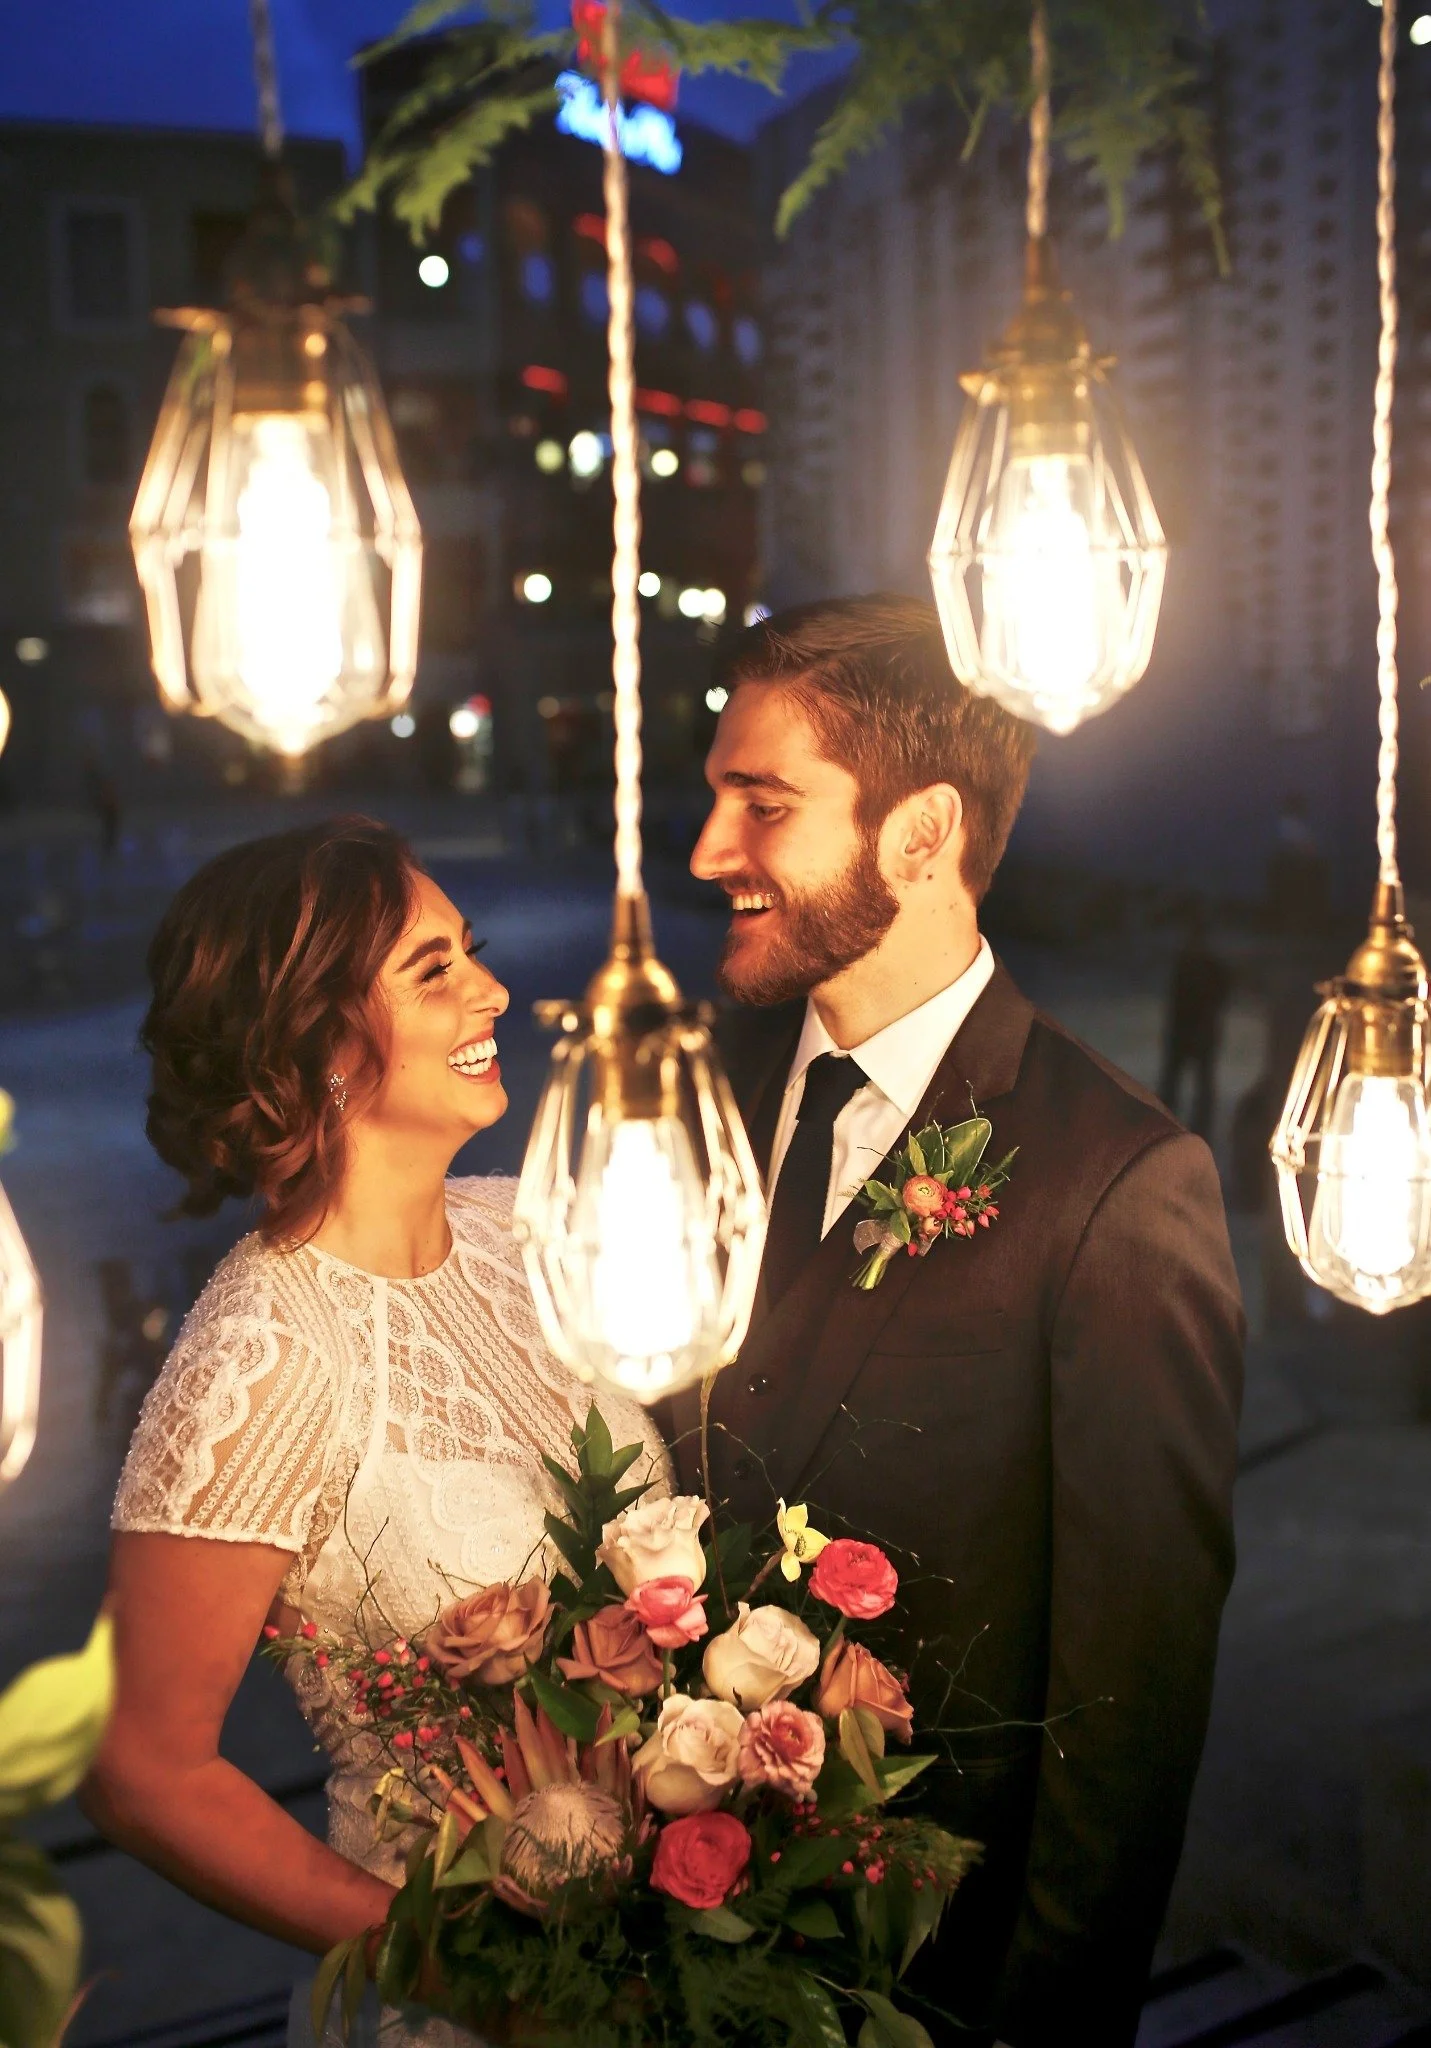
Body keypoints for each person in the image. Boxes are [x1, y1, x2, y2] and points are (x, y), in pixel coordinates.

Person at [672, 596, 1244, 2048]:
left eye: (761, 804)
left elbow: (1124, 1716)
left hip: (927, 1994)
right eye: (710, 798)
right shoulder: (689, 1095)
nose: (706, 852)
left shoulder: (1117, 1188)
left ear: (920, 833)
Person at [83, 818, 668, 2048]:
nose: (493, 990)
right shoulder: (264, 1353)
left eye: (474, 952)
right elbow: (138, 1768)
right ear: (320, 1043)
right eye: (435, 968)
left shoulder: (529, 1230)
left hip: (664, 1952)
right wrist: (462, 1972)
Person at [1158, 902, 1233, 1141]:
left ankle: (1193, 1134)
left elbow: (1219, 998)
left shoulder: (1209, 968)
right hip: (1188, 1034)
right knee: (1178, 1088)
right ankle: (1164, 1129)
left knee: (1198, 1092)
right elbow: (1177, 1002)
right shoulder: (1191, 965)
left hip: (1198, 1035)